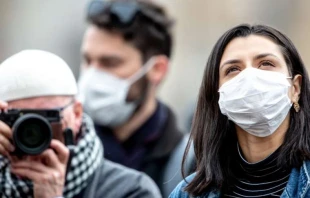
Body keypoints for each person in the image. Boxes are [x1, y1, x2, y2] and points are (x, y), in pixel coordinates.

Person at [169, 24, 310, 198]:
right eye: (233, 69)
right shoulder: (188, 193)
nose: (250, 78)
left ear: (295, 88)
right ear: (219, 95)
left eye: (266, 63)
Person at [0, 50, 161, 198]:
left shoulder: (131, 190)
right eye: (18, 118)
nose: (32, 129)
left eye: (47, 116)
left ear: (76, 114)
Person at [77, 0, 186, 196]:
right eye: (87, 60)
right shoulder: (64, 149)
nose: (92, 75)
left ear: (157, 69)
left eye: (110, 63)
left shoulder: (190, 164)